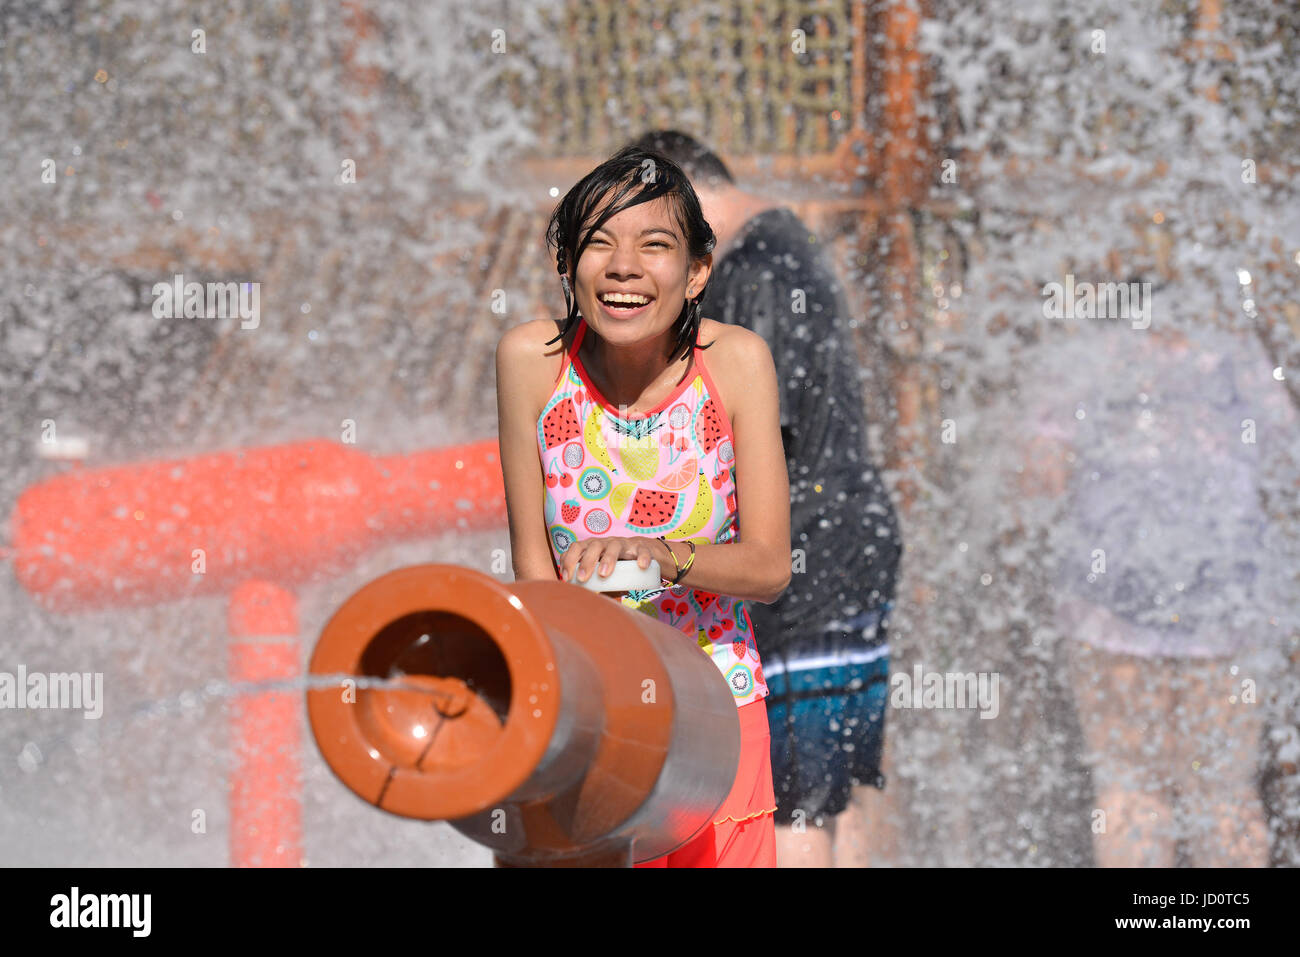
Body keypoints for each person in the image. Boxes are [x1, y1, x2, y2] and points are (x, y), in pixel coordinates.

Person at [494, 144, 791, 867]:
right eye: (598, 242)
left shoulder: (737, 363)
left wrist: (665, 557)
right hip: (593, 722)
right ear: (567, 265)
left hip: (717, 711)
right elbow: (536, 581)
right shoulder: (533, 362)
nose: (623, 267)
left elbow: (771, 567)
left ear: (696, 272)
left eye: (654, 245)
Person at [629, 130, 903, 867]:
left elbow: (755, 445)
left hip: (802, 560)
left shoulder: (754, 270)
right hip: (851, 546)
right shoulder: (787, 242)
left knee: (791, 802)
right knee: (839, 784)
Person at [1022, 321, 1296, 866]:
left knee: (1130, 786)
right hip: (1225, 592)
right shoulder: (1235, 347)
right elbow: (1287, 461)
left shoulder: (1087, 350)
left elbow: (1040, 479)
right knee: (1224, 791)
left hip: (1110, 595)